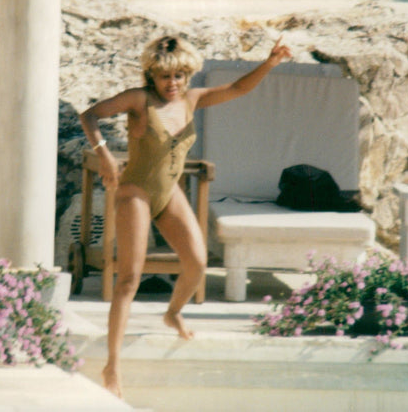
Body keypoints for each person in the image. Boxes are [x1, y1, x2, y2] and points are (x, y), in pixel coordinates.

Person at [79, 34, 292, 397]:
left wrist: (269, 63)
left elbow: (239, 87)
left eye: (179, 76)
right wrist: (104, 155)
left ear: (187, 74)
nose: (172, 84)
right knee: (129, 279)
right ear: (152, 75)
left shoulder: (192, 99)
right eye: (165, 77)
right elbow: (90, 115)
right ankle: (112, 364)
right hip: (136, 192)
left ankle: (173, 312)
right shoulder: (139, 99)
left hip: (168, 193)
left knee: (197, 261)